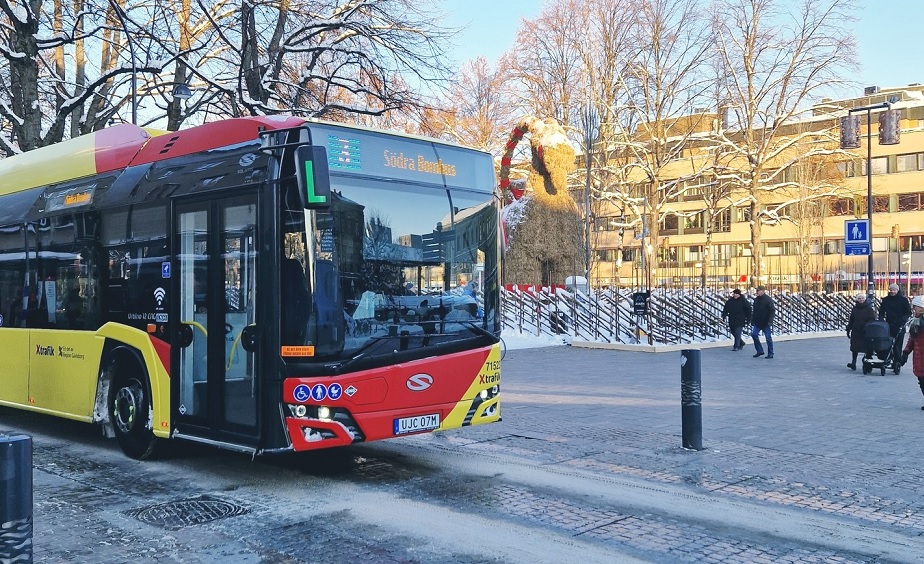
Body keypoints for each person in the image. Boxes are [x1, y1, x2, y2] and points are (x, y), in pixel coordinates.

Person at [900, 295, 924, 408]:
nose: (913, 309)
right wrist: (905, 353)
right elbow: (912, 339)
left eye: (915, 306)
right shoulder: (915, 322)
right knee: (921, 380)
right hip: (919, 356)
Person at [879, 283, 911, 365]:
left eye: (894, 290)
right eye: (891, 290)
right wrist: (881, 320)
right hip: (888, 325)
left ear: (897, 290)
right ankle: (887, 358)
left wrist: (902, 320)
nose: (892, 291)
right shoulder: (886, 300)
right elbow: (881, 311)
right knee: (887, 343)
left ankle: (897, 361)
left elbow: (908, 312)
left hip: (900, 325)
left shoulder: (903, 300)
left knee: (897, 345)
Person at [846, 293, 876, 370]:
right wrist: (848, 328)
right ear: (857, 300)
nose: (861, 300)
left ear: (865, 299)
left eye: (862, 298)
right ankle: (853, 363)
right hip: (856, 330)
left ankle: (867, 363)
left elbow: (872, 319)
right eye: (859, 298)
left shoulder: (869, 309)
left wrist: (867, 326)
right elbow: (851, 319)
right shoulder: (855, 309)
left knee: (867, 347)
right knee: (854, 347)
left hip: (865, 331)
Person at [750, 286, 775, 359]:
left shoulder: (768, 300)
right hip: (757, 322)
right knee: (754, 334)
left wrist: (770, 321)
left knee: (768, 338)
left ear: (763, 291)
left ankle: (770, 353)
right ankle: (759, 350)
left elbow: (772, 311)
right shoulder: (756, 300)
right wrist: (753, 320)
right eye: (757, 291)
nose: (757, 292)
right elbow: (754, 311)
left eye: (758, 291)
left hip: (766, 322)